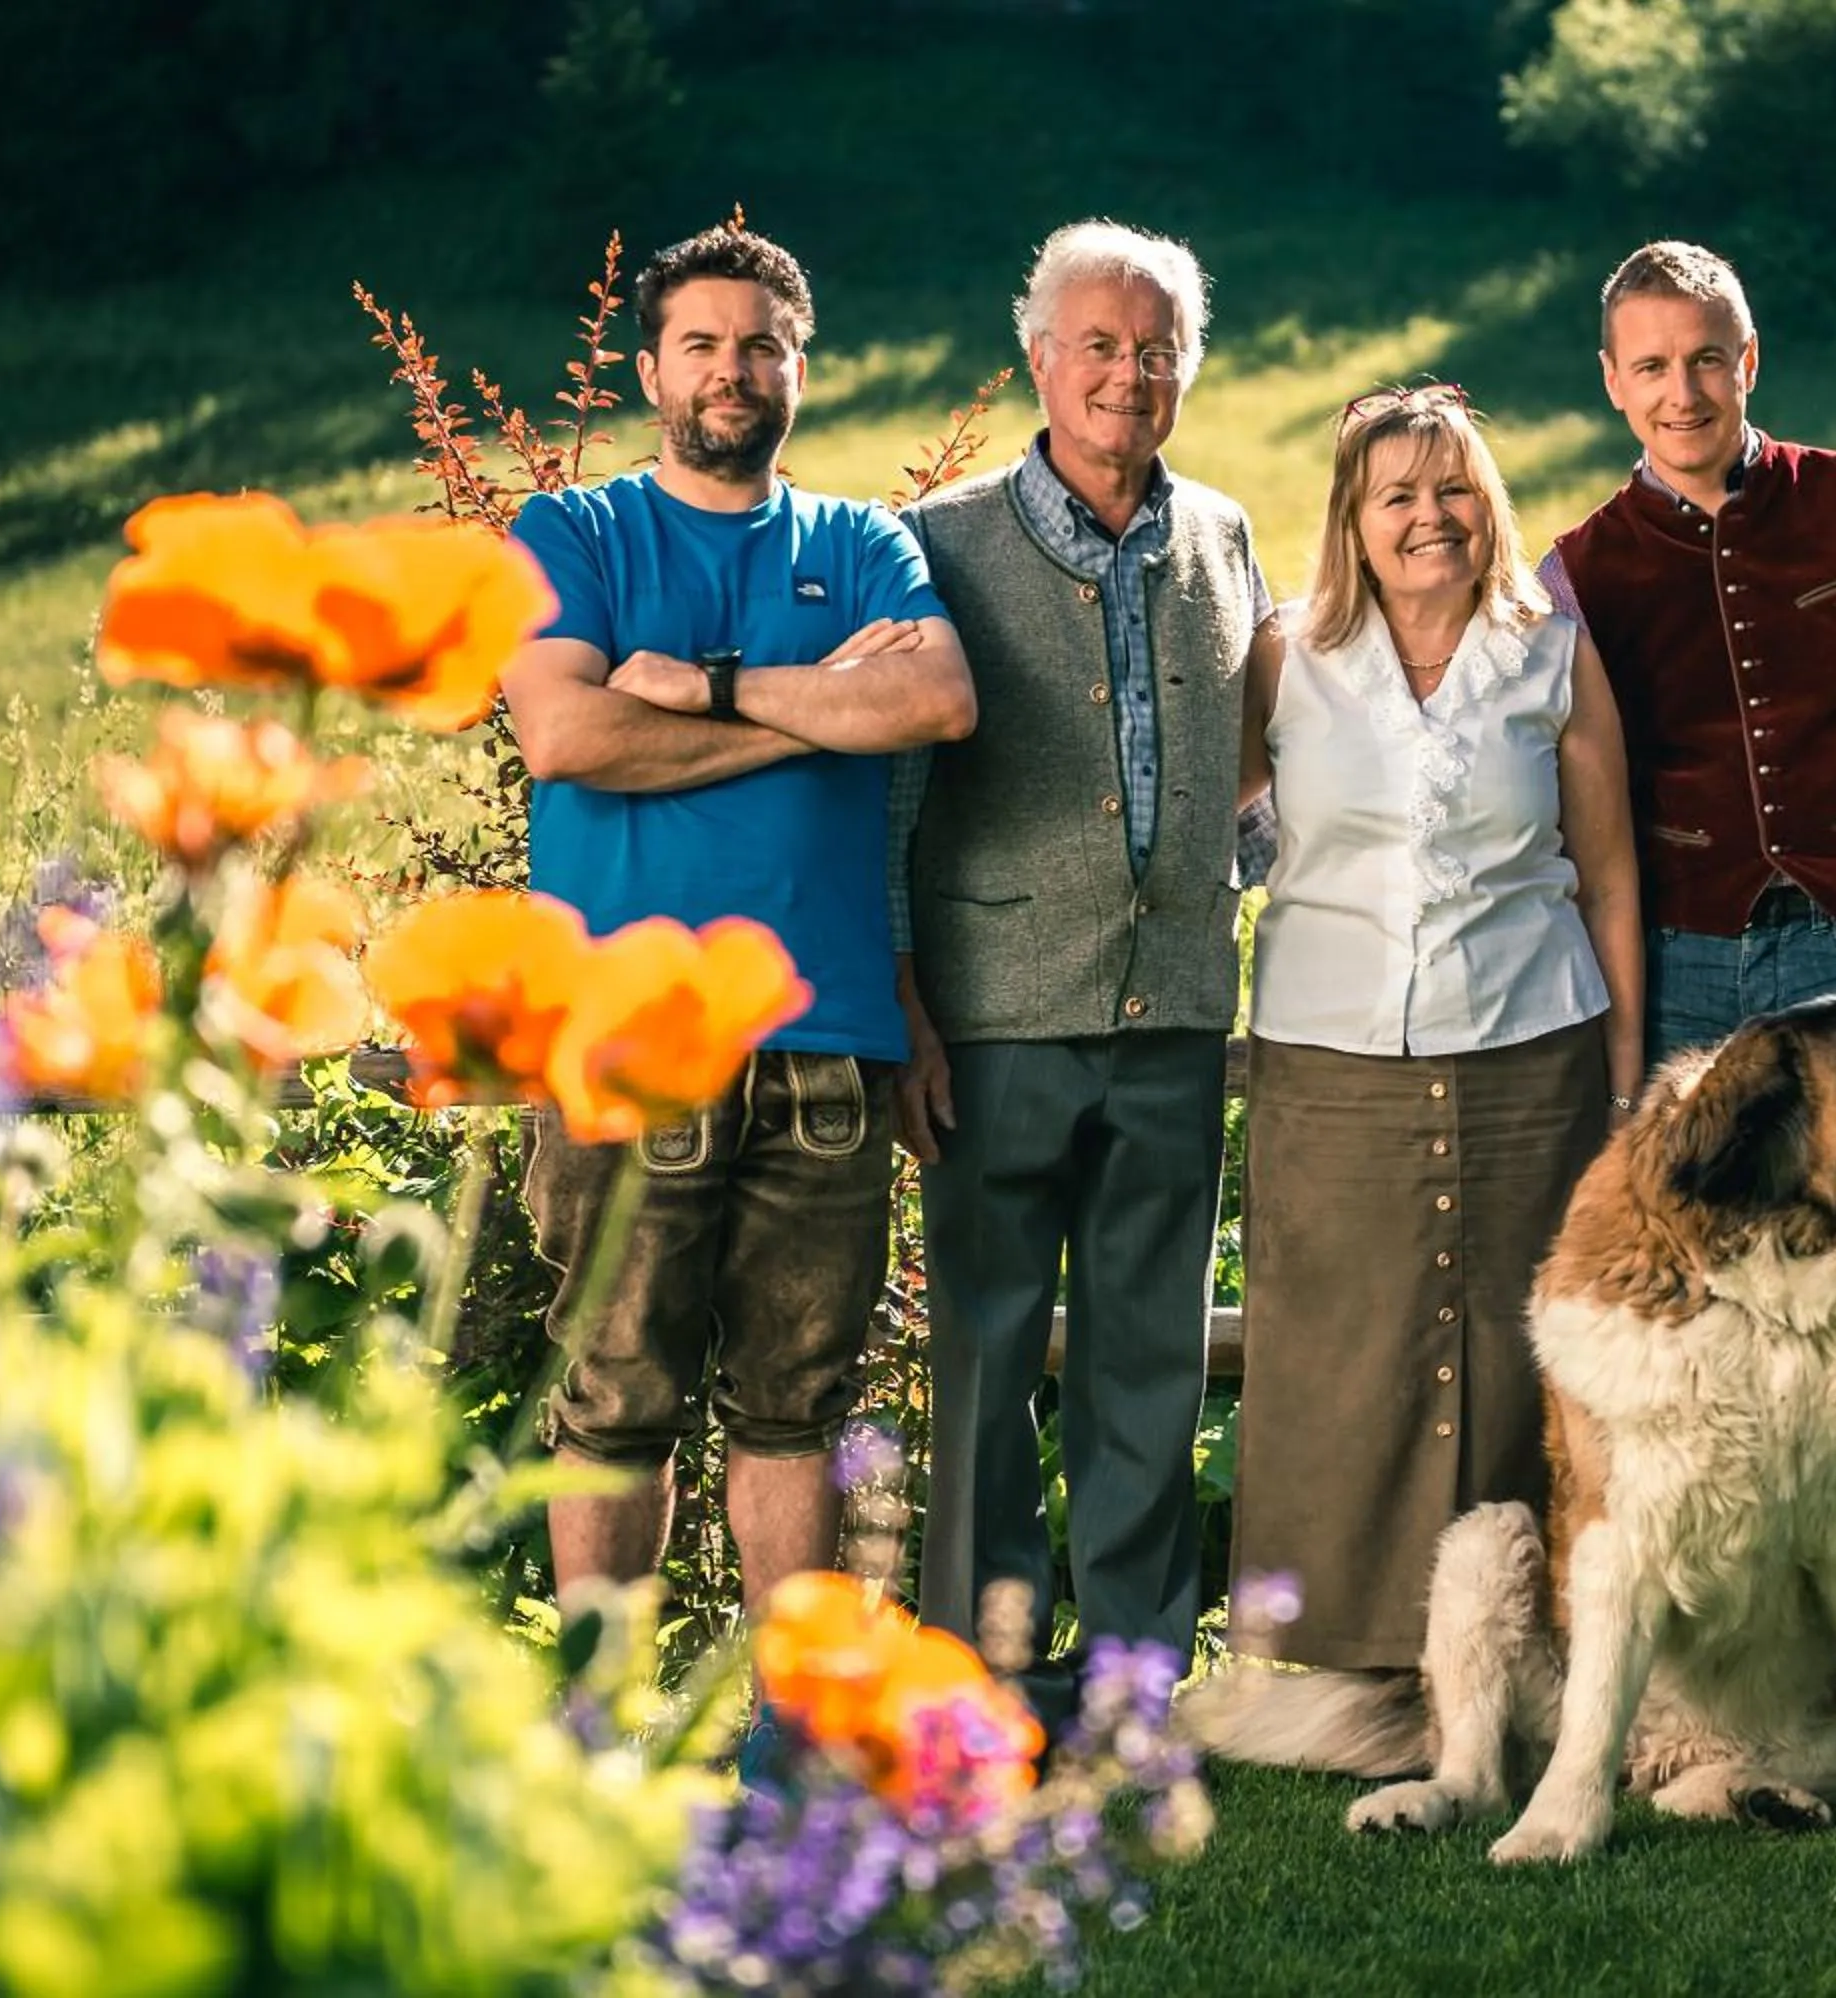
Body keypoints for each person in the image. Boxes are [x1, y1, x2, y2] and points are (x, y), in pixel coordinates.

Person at [1537, 240, 1836, 1715]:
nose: (1684, 390)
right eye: (1653, 366)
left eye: (1708, 358)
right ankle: (1739, 1670)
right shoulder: (1576, 568)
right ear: (1613, 383)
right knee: (1719, 1300)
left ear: (1754, 360)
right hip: (1690, 966)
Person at [501, 222, 977, 1622]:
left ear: (800, 369)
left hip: (819, 1038)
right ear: (651, 368)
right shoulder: (578, 531)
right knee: (612, 1397)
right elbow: (567, 735)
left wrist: (707, 692)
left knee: (798, 1405)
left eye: (761, 343)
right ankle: (598, 1745)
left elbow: (936, 703)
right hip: (623, 1037)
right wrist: (812, 712)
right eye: (702, 343)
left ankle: (788, 1757)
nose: (733, 368)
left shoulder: (860, 540)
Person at [894, 220, 1277, 1726]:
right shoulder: (940, 542)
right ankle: (988, 1677)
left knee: (1151, 1363)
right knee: (987, 1360)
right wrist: (910, 1004)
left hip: (1176, 1008)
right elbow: (894, 801)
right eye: (1100, 347)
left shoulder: (1225, 535)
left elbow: (1250, 769)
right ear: (1039, 359)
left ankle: (1130, 1680)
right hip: (996, 1017)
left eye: (1156, 349)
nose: (1130, 375)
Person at [1227, 384, 1642, 1676]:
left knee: (1523, 1355)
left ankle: (1526, 1646)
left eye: (1453, 488)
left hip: (1533, 1050)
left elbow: (1611, 873)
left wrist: (1623, 1069)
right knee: (1341, 1354)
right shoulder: (1288, 657)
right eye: (1397, 493)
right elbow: (1202, 827)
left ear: (1490, 504)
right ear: (1352, 516)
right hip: (1327, 1056)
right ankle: (1338, 1651)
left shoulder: (1550, 652)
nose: (1430, 517)